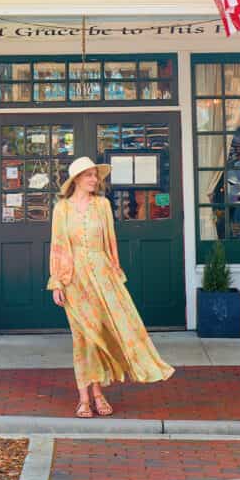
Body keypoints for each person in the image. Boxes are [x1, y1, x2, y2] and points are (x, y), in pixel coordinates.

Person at [47, 156, 174, 419]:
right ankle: (86, 397)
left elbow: (110, 243)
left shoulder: (102, 205)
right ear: (76, 180)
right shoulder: (62, 209)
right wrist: (57, 281)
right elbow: (58, 246)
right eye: (89, 175)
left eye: (96, 175)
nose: (95, 179)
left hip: (103, 275)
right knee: (83, 338)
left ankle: (98, 392)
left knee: (107, 333)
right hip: (75, 280)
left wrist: (116, 273)